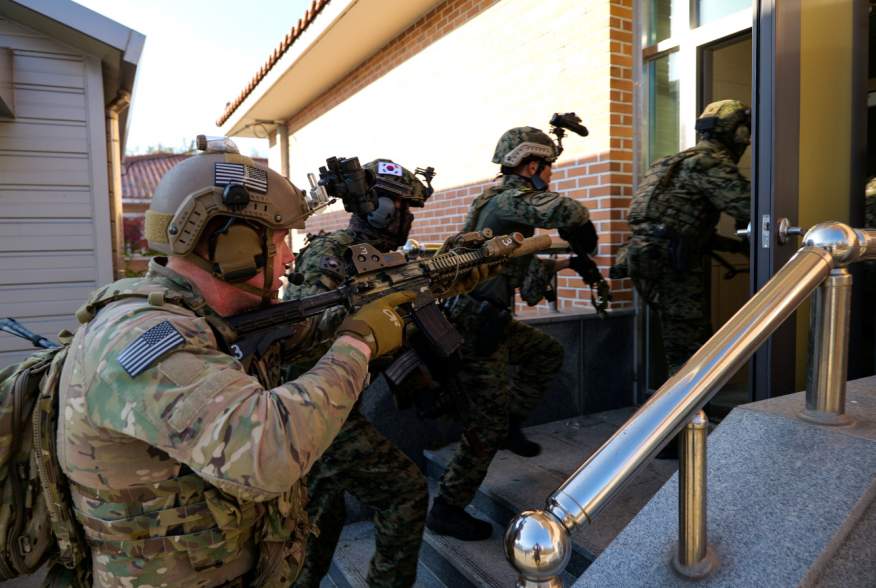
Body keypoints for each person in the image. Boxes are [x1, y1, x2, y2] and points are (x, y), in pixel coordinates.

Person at [57, 138, 414, 587]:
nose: (288, 258)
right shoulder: (142, 336)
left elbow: (292, 335)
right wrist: (358, 342)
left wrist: (375, 303)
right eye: (280, 240)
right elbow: (268, 451)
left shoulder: (203, 316)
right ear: (234, 246)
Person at [426, 126, 600, 541]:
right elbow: (569, 212)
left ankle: (510, 424)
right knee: (484, 427)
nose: (551, 177)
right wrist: (583, 237)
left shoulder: (508, 214)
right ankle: (447, 508)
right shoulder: (506, 199)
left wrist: (571, 266)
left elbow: (530, 286)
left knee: (545, 354)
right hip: (474, 325)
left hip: (492, 321)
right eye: (548, 168)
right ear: (532, 165)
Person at [285, 159, 435, 588]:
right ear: (380, 207)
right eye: (403, 207)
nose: (407, 218)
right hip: (311, 405)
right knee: (405, 492)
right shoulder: (331, 253)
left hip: (328, 407)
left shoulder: (382, 258)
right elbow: (304, 340)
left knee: (319, 519)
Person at [619, 99, 751, 376]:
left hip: (649, 258)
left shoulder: (672, 161)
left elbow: (682, 224)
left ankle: (682, 409)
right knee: (689, 349)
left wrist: (734, 247)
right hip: (672, 266)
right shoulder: (709, 163)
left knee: (683, 338)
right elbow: (750, 207)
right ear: (737, 133)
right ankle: (684, 415)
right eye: (745, 133)